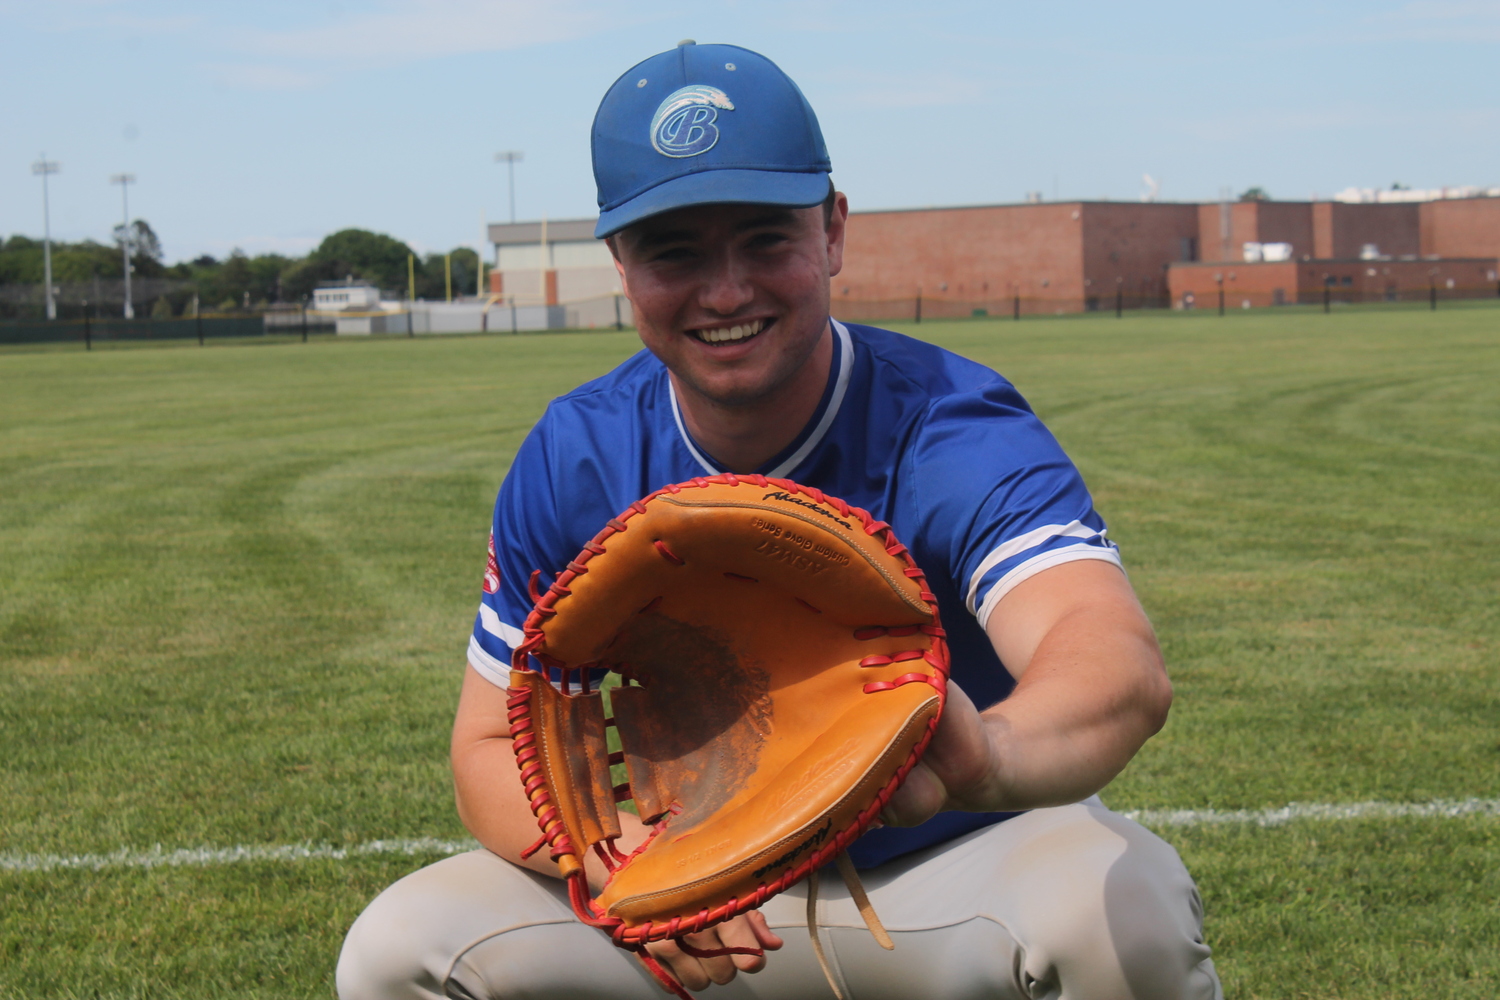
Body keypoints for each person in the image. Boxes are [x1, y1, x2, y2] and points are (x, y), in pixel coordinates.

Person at [338, 41, 1222, 1000]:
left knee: (1116, 910)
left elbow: (1111, 659)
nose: (726, 291)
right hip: (690, 902)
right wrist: (618, 862)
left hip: (944, 878)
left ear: (833, 232)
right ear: (623, 266)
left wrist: (984, 755)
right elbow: (481, 752)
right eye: (675, 250)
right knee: (401, 948)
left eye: (765, 237)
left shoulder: (945, 422)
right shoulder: (579, 453)